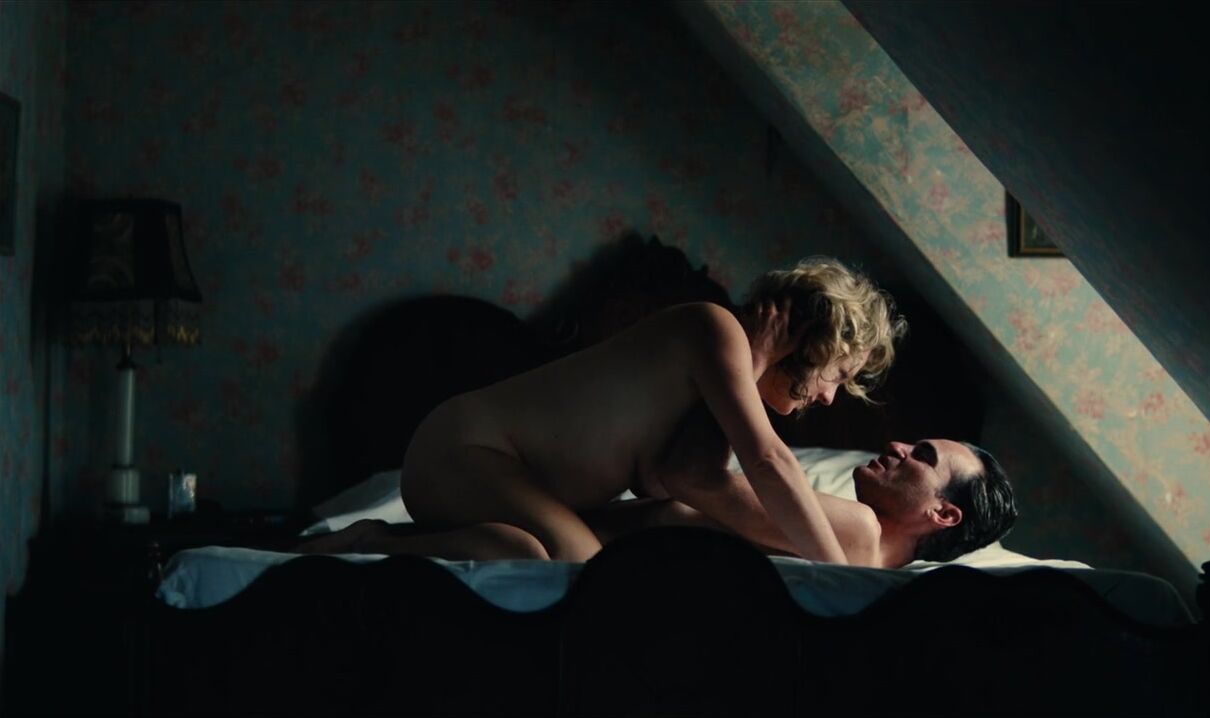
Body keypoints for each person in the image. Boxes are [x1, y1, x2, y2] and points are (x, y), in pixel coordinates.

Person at [299, 257, 907, 564]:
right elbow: (769, 461)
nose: (828, 398)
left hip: (494, 471)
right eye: (838, 375)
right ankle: (370, 543)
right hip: (464, 450)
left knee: (521, 551)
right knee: (579, 563)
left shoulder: (714, 396)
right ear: (813, 339)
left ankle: (382, 541)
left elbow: (681, 477)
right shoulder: (713, 327)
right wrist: (840, 575)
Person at [588, 438, 1017, 568]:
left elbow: (690, 476)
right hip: (598, 541)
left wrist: (752, 362)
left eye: (923, 456)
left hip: (588, 549)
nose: (897, 446)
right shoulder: (859, 550)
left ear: (943, 513)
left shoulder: (862, 530)